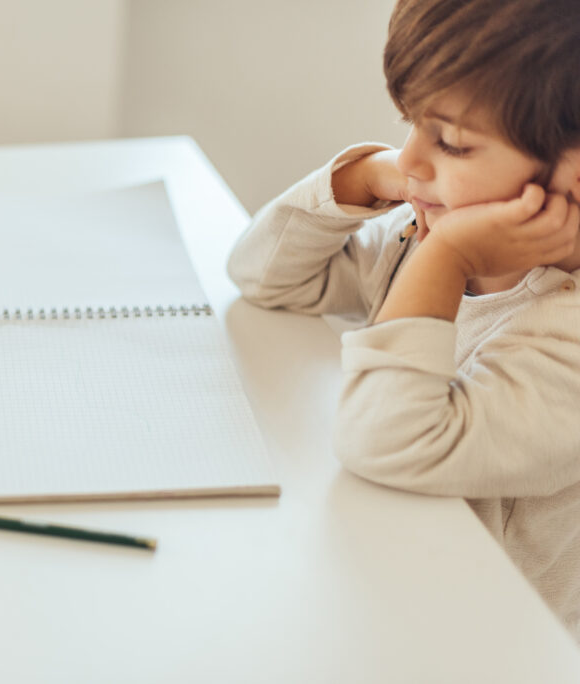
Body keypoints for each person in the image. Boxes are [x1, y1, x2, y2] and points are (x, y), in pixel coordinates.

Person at [228, 0, 580, 642]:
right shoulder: (417, 238)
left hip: (496, 646)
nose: (412, 159)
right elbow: (265, 276)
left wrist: (448, 257)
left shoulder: (563, 338)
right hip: (396, 593)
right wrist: (363, 178)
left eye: (450, 142)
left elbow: (386, 439)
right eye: (410, 123)